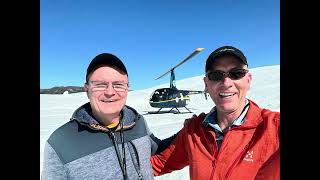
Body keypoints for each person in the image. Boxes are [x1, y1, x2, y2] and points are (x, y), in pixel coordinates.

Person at [151, 45, 280, 180]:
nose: (226, 82)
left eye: (237, 73)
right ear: (206, 84)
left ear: (248, 80)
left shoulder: (274, 128)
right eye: (216, 75)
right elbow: (159, 164)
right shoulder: (194, 130)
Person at [41, 53, 176, 180]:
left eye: (118, 85)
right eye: (100, 85)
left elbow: (158, 150)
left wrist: (192, 129)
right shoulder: (60, 142)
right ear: (86, 89)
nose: (110, 92)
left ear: (127, 88)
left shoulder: (138, 122)